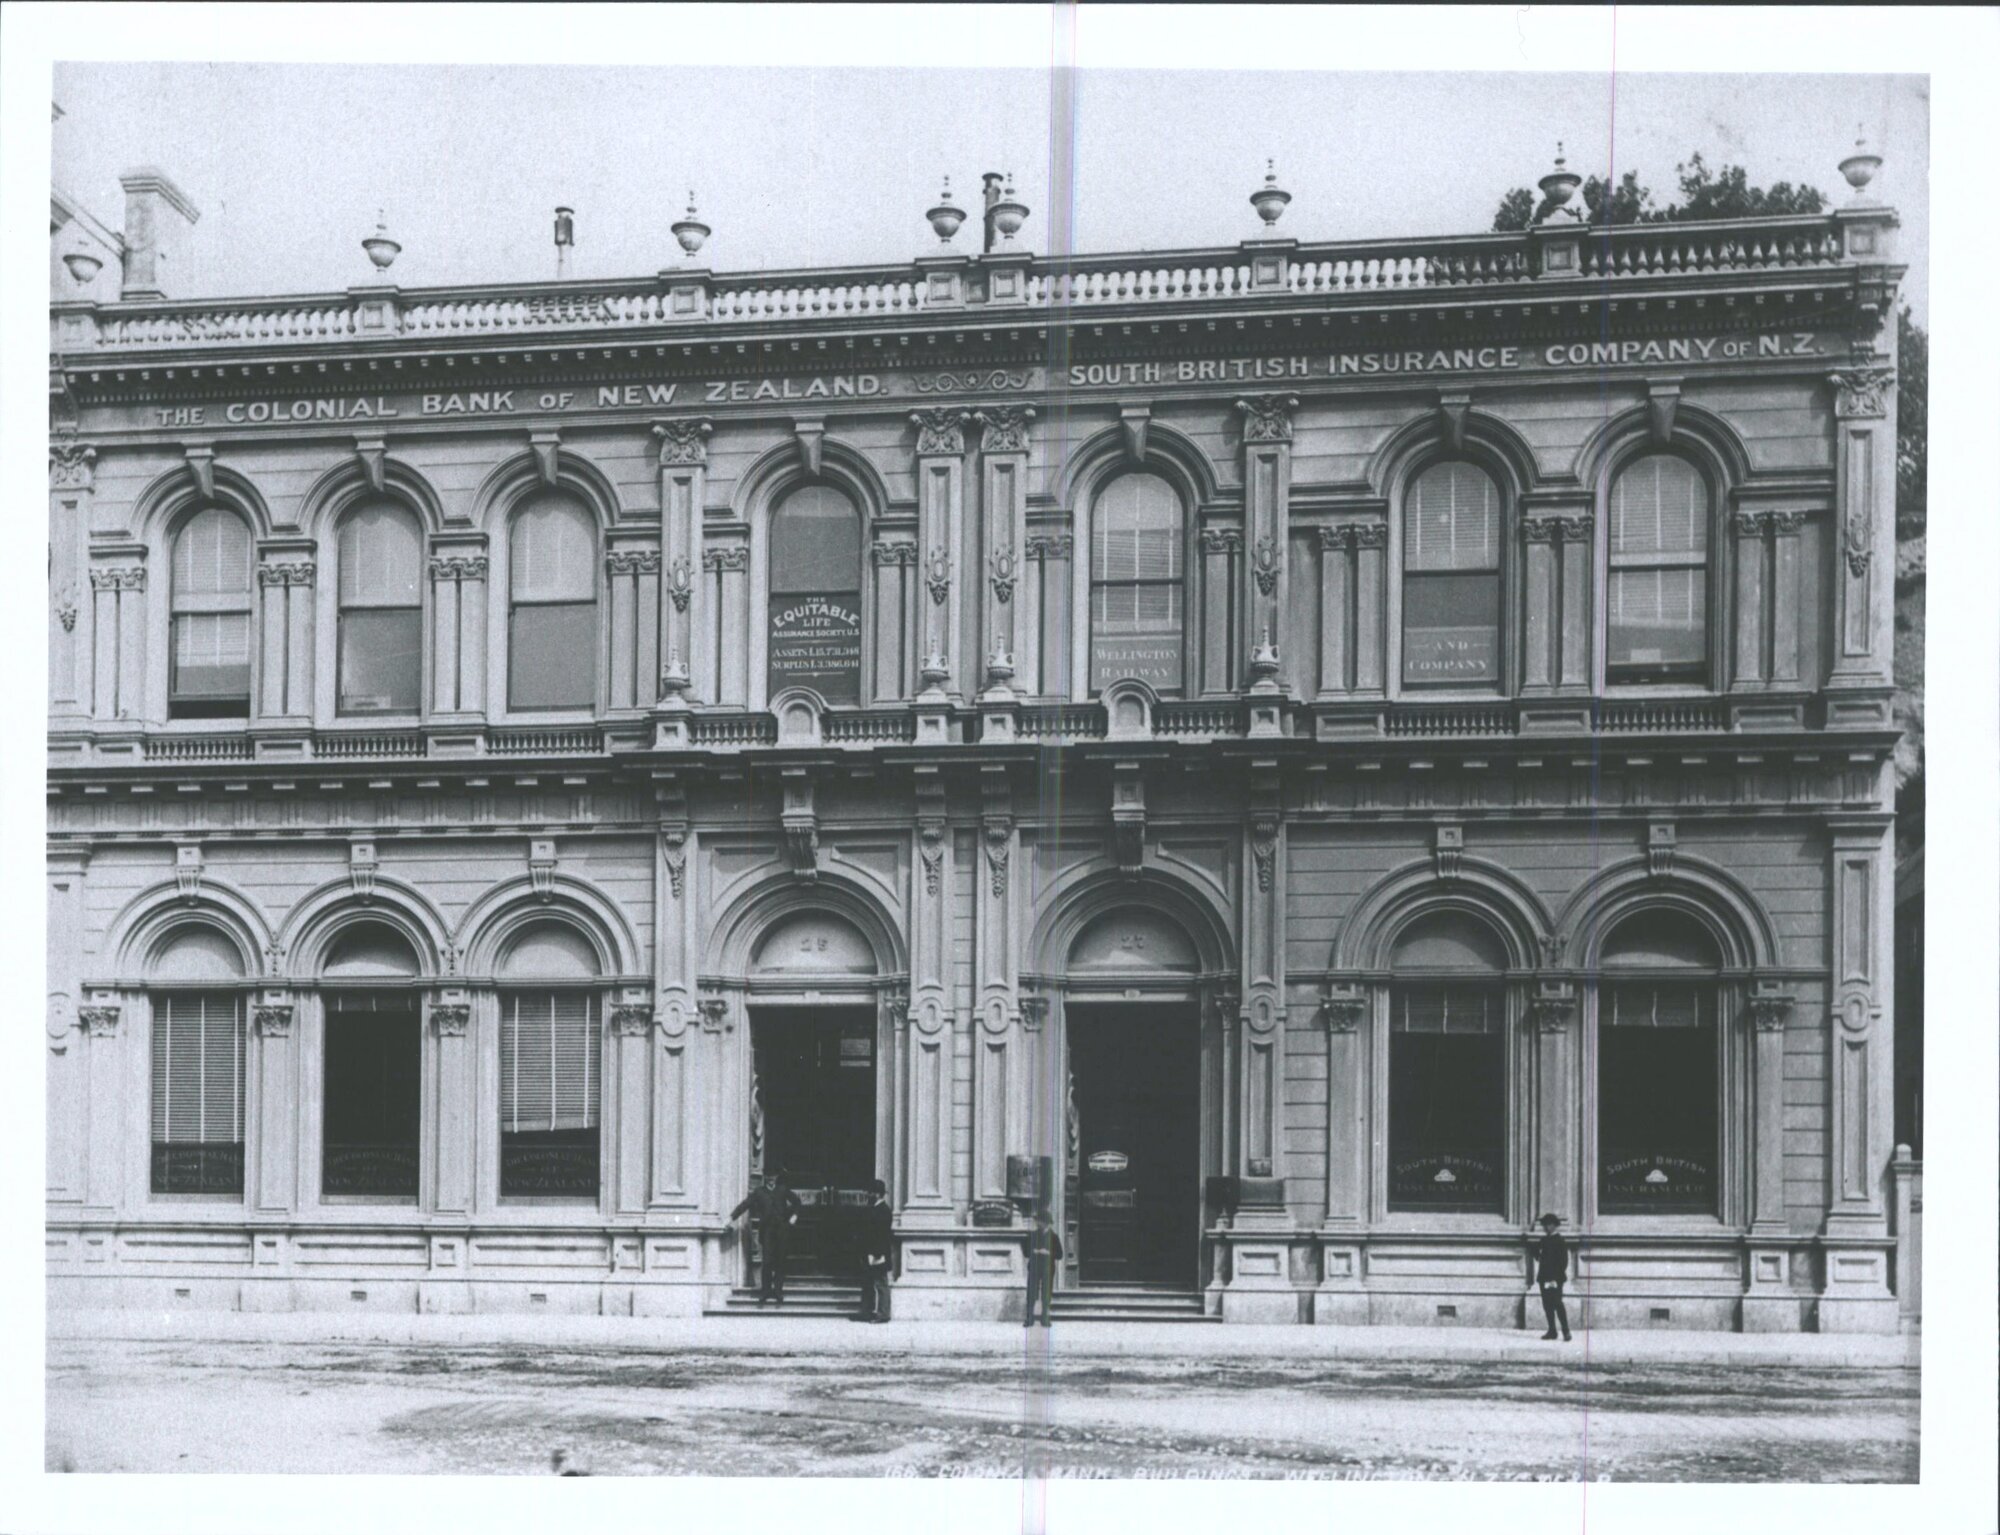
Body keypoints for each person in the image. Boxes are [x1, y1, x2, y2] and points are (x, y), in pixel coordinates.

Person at [729, 1172, 802, 1305]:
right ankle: (765, 1291)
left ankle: (778, 1291)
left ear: (776, 1178)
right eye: (768, 1178)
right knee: (767, 1262)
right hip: (767, 1231)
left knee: (780, 1261)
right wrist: (731, 1217)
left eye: (773, 1177)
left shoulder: (782, 1190)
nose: (770, 1180)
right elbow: (745, 1204)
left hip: (782, 1230)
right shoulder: (759, 1192)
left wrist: (794, 1215)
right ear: (765, 1178)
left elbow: (797, 1202)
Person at [852, 1179, 894, 1324]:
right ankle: (866, 1312)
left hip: (877, 1254)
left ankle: (883, 1314)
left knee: (881, 1284)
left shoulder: (884, 1211)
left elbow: (882, 1235)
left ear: (876, 1194)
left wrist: (877, 1254)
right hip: (869, 1253)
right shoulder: (874, 1208)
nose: (868, 1195)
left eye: (870, 1192)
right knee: (868, 1283)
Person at [1530, 1212, 1573, 1341]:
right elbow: (1536, 1252)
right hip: (1544, 1277)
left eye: (1548, 1225)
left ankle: (1565, 1331)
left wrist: (1555, 1278)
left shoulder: (1560, 1241)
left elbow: (1563, 1262)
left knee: (1557, 1303)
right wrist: (1537, 1255)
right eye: (1545, 1225)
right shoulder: (1543, 1240)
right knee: (1547, 1305)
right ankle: (1552, 1330)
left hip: (1555, 1278)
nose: (1546, 1227)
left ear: (1554, 1225)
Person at [1023, 1205, 1062, 1328]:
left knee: (1046, 1293)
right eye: (1037, 1221)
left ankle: (1045, 1318)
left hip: (1048, 1268)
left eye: (1039, 1221)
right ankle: (1029, 1318)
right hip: (1034, 1267)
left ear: (1045, 1223)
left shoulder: (1054, 1237)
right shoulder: (1032, 1235)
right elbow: (1025, 1251)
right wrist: (1033, 1251)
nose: (1037, 1223)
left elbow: (1060, 1255)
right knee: (1031, 1293)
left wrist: (1048, 1253)